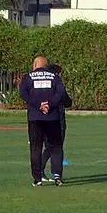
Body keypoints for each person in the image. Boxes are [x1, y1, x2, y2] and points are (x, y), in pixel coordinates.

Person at [19, 56, 66, 187]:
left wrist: (38, 105)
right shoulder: (54, 77)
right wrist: (50, 104)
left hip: (35, 117)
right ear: (46, 66)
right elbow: (61, 92)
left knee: (36, 148)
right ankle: (57, 175)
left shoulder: (28, 77)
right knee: (56, 146)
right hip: (53, 117)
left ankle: (37, 178)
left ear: (35, 65)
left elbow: (23, 93)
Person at [40, 63, 71, 180]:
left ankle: (45, 171)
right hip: (57, 119)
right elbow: (67, 102)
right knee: (55, 147)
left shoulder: (41, 86)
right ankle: (55, 173)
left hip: (42, 119)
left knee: (49, 146)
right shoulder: (58, 86)